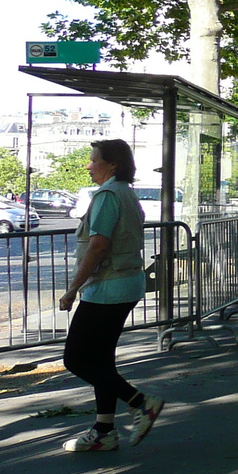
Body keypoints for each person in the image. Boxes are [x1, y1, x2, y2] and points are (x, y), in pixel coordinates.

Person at [58, 139, 165, 452]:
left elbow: (98, 245)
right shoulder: (126, 193)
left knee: (76, 358)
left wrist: (72, 288)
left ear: (112, 164)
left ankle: (141, 402)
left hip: (107, 287)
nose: (88, 166)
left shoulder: (107, 196)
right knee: (101, 359)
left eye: (93, 160)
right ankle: (104, 431)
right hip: (126, 283)